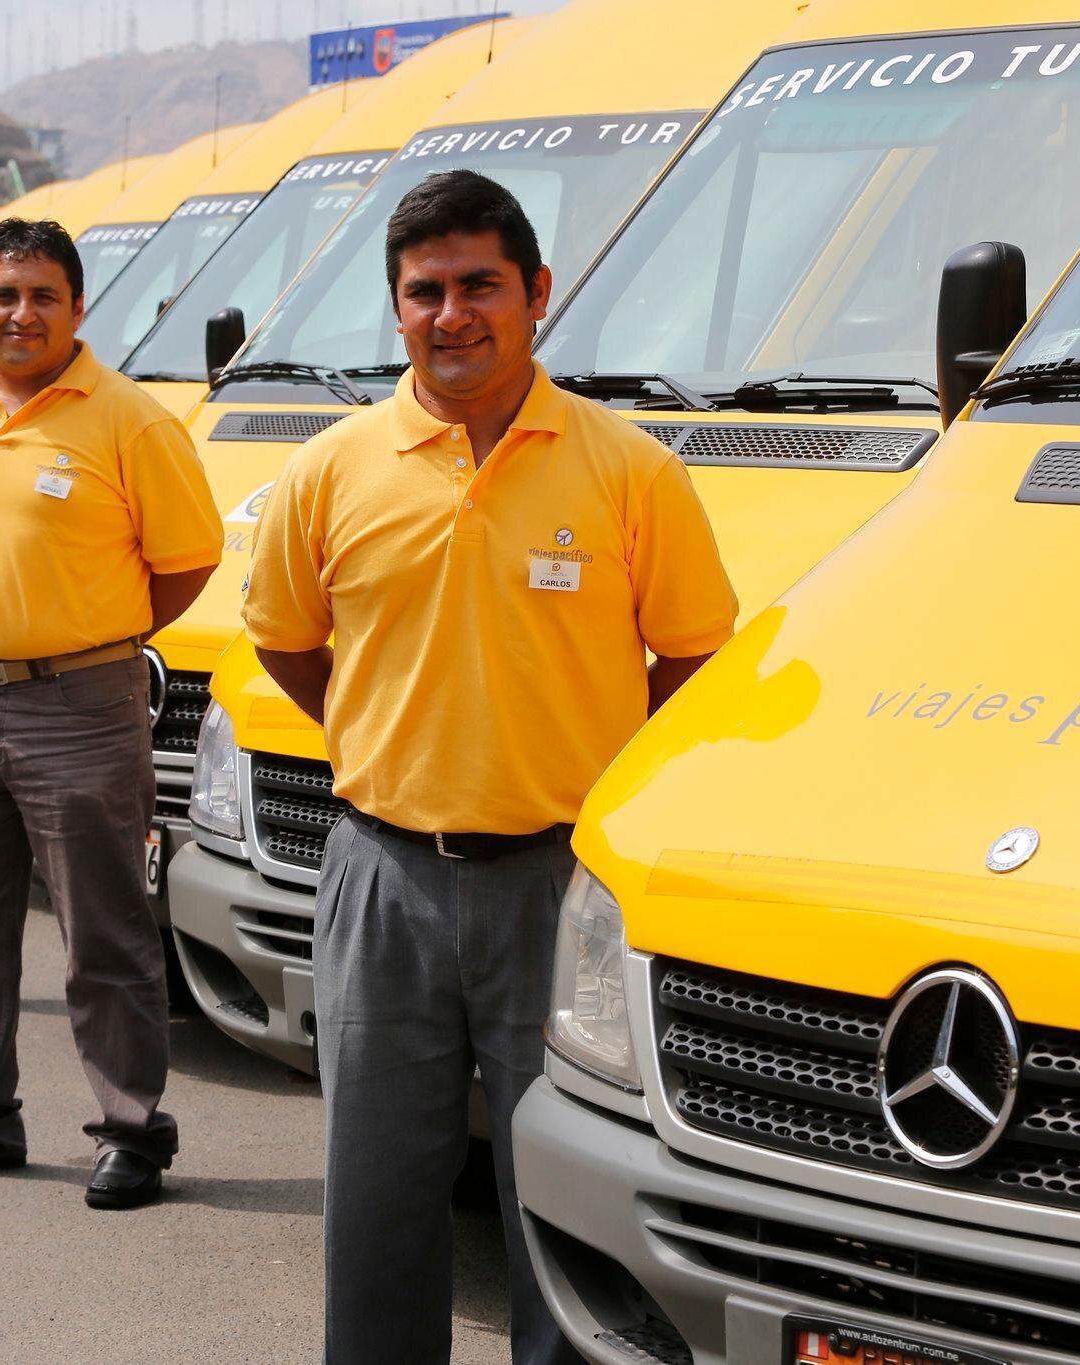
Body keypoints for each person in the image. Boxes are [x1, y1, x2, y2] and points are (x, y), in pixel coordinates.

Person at [242, 170, 738, 1365]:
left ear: (536, 293)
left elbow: (694, 656)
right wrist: (389, 738)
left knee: (559, 1199)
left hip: (558, 891)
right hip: (381, 882)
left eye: (479, 286)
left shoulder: (629, 471)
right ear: (396, 307)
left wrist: (588, 762)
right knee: (376, 1197)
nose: (451, 315)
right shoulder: (329, 471)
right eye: (425, 292)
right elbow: (284, 640)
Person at [0, 219, 221, 1210]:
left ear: (76, 307)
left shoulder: (129, 419)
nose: (20, 313)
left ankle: (130, 1132)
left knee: (103, 930)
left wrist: (88, 633)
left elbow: (187, 561)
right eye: (4, 295)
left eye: (42, 296)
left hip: (81, 705)